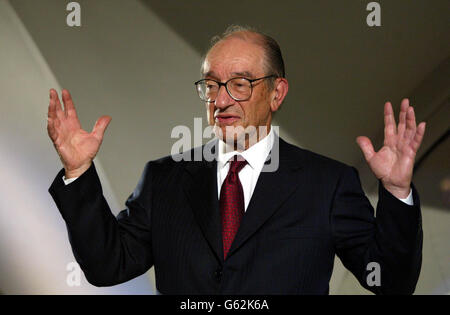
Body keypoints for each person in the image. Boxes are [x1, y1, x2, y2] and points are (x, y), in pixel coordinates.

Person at [47, 26, 426, 294]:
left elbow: (390, 281)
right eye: (211, 85)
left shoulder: (326, 184)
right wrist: (78, 172)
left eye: (240, 84)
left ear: (277, 93)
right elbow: (107, 265)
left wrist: (396, 191)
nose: (221, 100)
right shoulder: (165, 178)